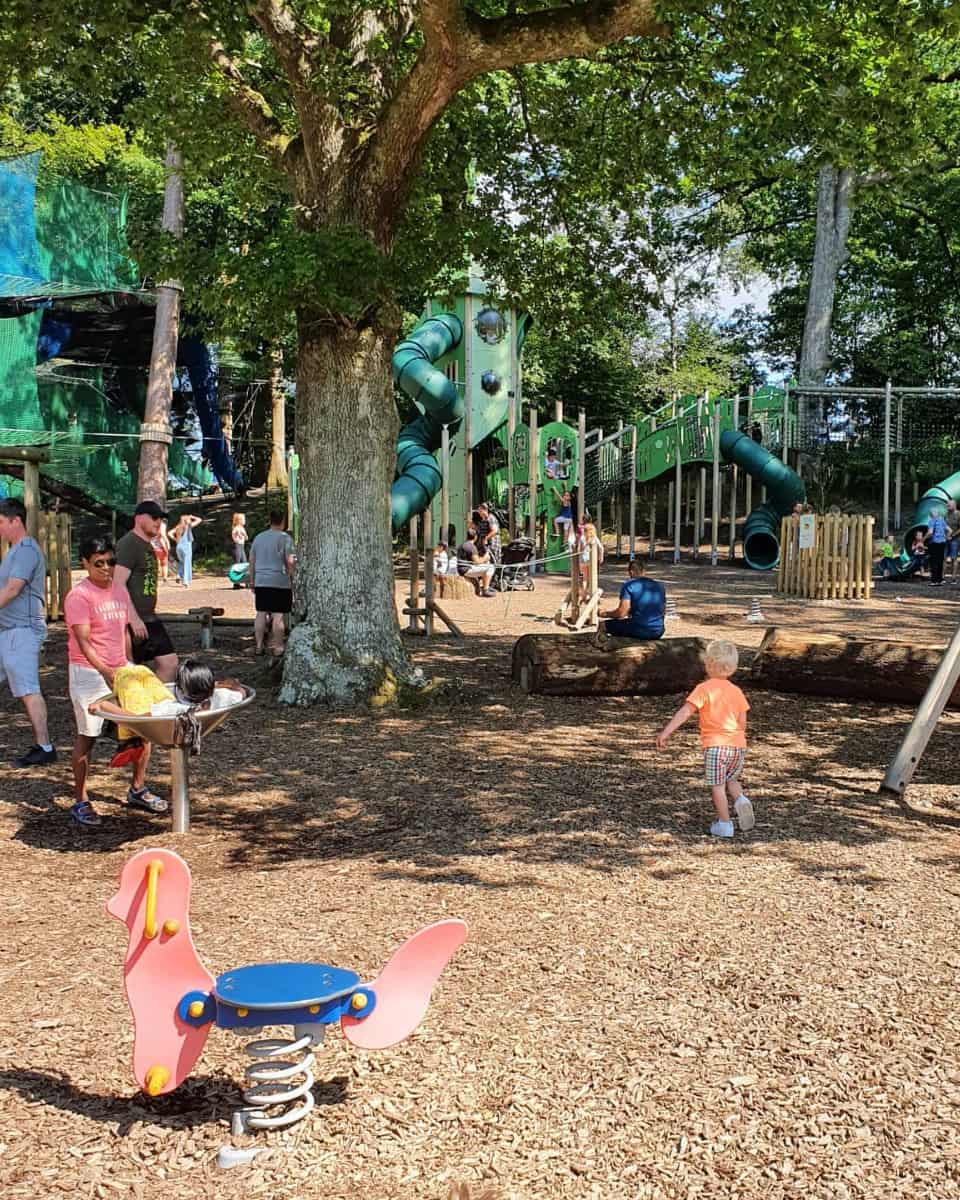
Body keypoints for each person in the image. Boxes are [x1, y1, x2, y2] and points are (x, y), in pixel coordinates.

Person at [64, 536, 165, 827]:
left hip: (121, 669)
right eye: (99, 563)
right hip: (88, 673)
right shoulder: (79, 597)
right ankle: (81, 799)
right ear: (85, 563)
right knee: (88, 736)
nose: (106, 568)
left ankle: (138, 788)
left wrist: (128, 664)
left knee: (144, 727)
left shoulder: (119, 592)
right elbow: (84, 643)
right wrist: (107, 672)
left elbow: (122, 632)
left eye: (111, 562)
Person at [655, 639, 755, 839]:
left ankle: (725, 824)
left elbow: (685, 712)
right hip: (737, 745)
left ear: (708, 664)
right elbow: (742, 722)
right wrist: (738, 738)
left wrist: (666, 732)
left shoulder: (704, 689)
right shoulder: (736, 692)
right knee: (731, 779)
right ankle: (740, 799)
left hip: (716, 746)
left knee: (717, 785)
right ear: (734, 667)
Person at [0, 497, 55, 766]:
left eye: (1, 522)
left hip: (22, 630)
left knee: (28, 689)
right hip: (7, 630)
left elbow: (12, 589)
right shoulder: (13, 550)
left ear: (16, 521)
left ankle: (44, 746)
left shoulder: (25, 550)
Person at [114, 500, 178, 683]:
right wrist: (132, 618)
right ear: (139, 518)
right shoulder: (129, 544)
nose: (158, 522)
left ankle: (157, 706)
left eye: (161, 519)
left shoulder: (147, 545)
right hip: (131, 621)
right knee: (131, 672)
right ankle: (135, 708)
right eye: (154, 517)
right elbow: (118, 583)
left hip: (149, 618)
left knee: (169, 663)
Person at [249, 510, 295, 658]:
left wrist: (252, 580)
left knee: (261, 613)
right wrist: (290, 574)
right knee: (278, 615)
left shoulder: (258, 538)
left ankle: (258, 645)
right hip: (279, 580)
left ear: (270, 520)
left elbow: (252, 561)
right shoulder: (285, 538)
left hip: (261, 580)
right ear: (283, 521)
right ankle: (278, 646)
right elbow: (290, 560)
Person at [597, 559, 665, 642]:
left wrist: (604, 613)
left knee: (603, 625)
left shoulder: (629, 585)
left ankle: (602, 650)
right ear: (644, 571)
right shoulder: (659, 586)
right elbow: (663, 611)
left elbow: (621, 613)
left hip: (640, 629)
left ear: (631, 572)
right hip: (658, 630)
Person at [456, 523, 495, 596]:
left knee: (486, 565)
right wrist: (486, 558)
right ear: (475, 537)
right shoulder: (472, 547)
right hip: (466, 570)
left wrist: (483, 560)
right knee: (490, 567)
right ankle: (485, 589)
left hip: (461, 569)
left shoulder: (462, 545)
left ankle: (485, 586)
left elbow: (472, 560)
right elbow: (477, 562)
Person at [170, 513, 202, 587]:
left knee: (182, 562)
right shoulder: (188, 526)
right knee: (187, 563)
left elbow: (170, 533)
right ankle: (185, 581)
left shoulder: (178, 527)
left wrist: (175, 539)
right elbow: (199, 520)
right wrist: (192, 516)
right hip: (186, 547)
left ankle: (178, 575)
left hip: (178, 547)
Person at [577, 521, 604, 601]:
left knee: (585, 578)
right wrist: (601, 557)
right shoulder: (594, 538)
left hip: (583, 560)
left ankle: (584, 594)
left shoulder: (582, 538)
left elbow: (579, 550)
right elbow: (601, 548)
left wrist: (579, 559)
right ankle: (590, 594)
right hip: (591, 560)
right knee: (592, 578)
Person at [926, 507, 949, 587]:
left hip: (934, 543)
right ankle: (939, 580)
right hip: (942, 543)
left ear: (931, 514)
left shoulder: (931, 521)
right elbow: (950, 530)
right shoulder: (942, 520)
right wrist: (946, 537)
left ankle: (933, 581)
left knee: (933, 562)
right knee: (940, 561)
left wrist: (923, 539)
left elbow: (930, 533)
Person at [230, 513, 248, 587]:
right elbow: (233, 536)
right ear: (239, 521)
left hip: (242, 546)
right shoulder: (236, 528)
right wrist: (238, 536)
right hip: (237, 546)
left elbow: (246, 537)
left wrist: (244, 535)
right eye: (243, 519)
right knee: (238, 564)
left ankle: (246, 581)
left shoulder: (242, 528)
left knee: (244, 562)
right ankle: (236, 583)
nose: (244, 521)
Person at [153, 519, 171, 584]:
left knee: (156, 562)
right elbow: (163, 534)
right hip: (161, 547)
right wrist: (167, 543)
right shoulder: (162, 525)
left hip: (153, 547)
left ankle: (156, 577)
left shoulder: (152, 526)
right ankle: (165, 578)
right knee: (164, 562)